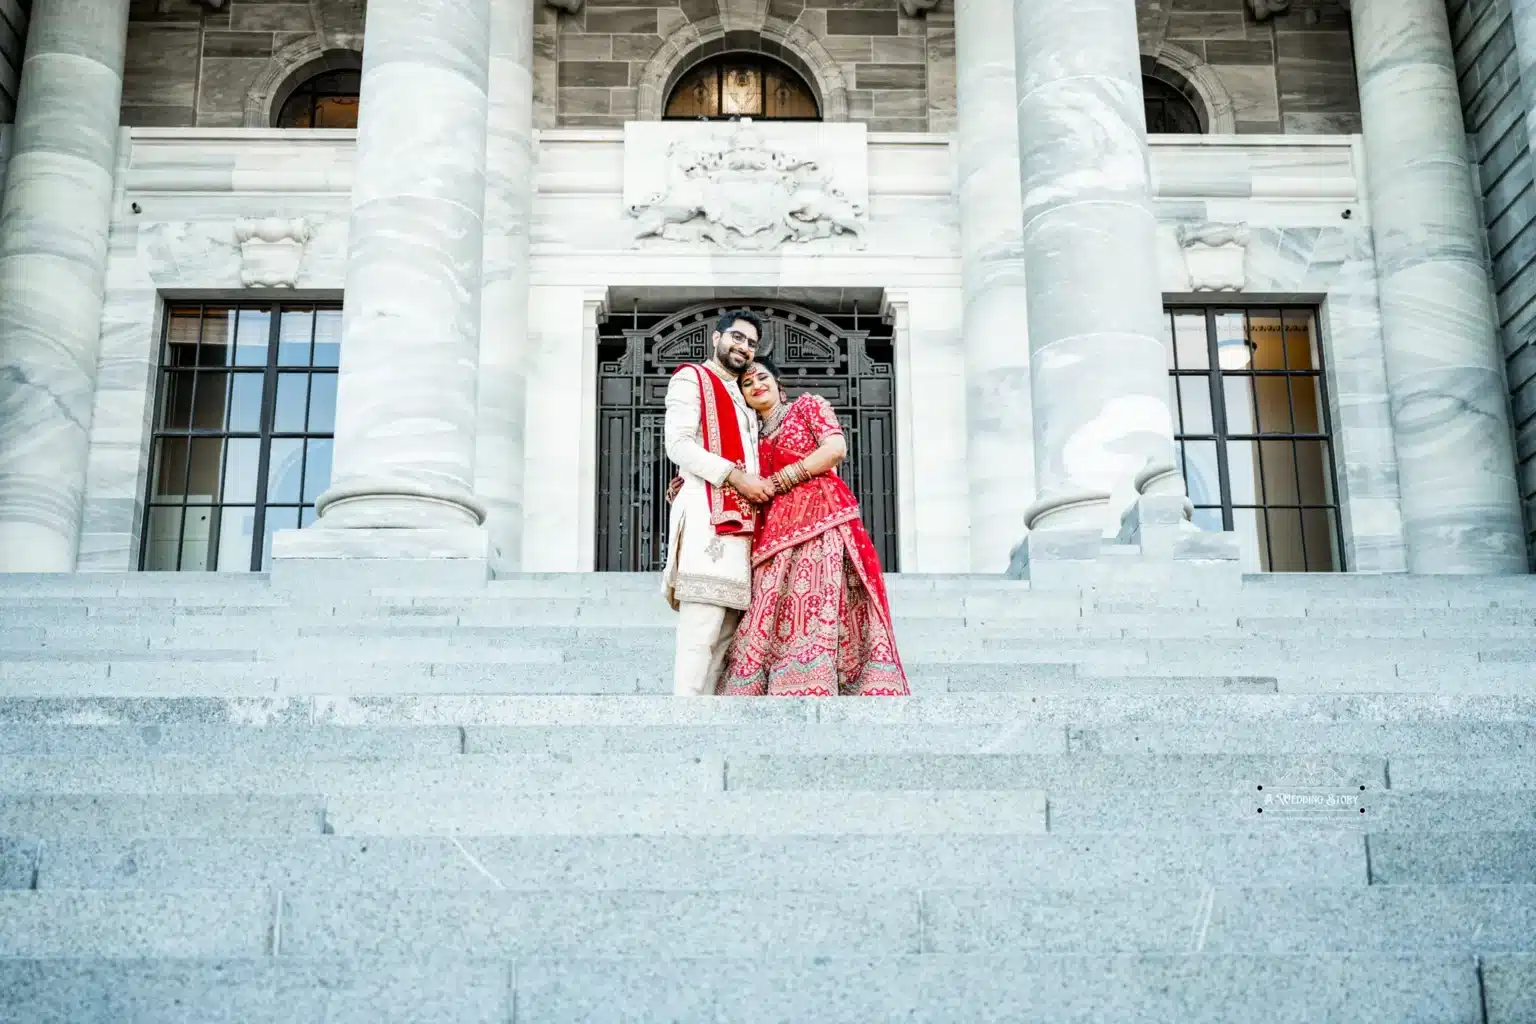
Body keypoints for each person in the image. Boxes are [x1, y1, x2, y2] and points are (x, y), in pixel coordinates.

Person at [718, 357, 908, 696]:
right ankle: (777, 681)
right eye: (747, 384)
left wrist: (782, 479)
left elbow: (835, 449)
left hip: (823, 517)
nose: (756, 385)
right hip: (775, 531)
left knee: (823, 598)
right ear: (742, 397)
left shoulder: (807, 406)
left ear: (779, 384)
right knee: (773, 604)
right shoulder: (748, 438)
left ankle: (827, 679)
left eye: (762, 377)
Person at [662, 310, 775, 697]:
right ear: (716, 338)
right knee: (702, 627)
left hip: (744, 525)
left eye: (751, 343)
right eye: (738, 338)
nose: (744, 347)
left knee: (728, 633)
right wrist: (735, 476)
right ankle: (685, 721)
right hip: (708, 518)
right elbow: (678, 444)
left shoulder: (743, 395)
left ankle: (708, 725)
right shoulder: (691, 378)